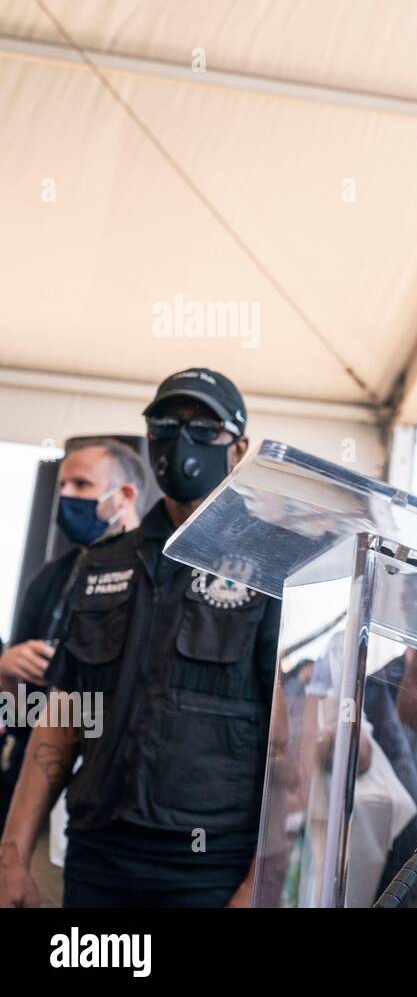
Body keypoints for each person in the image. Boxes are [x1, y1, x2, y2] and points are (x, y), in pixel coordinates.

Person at [0, 368, 281, 908]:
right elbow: (62, 720)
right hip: (98, 860)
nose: (182, 440)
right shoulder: (104, 565)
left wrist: (258, 885)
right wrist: (12, 856)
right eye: (167, 423)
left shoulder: (266, 570)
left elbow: (287, 748)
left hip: (207, 869)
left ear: (238, 446)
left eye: (203, 427)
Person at [0, 438, 145, 905]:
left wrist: (77, 709)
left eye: (82, 484)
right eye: (63, 483)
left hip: (113, 810)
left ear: (124, 495)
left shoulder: (153, 577)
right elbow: (17, 714)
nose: (68, 495)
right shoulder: (51, 577)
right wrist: (6, 672)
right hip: (29, 795)